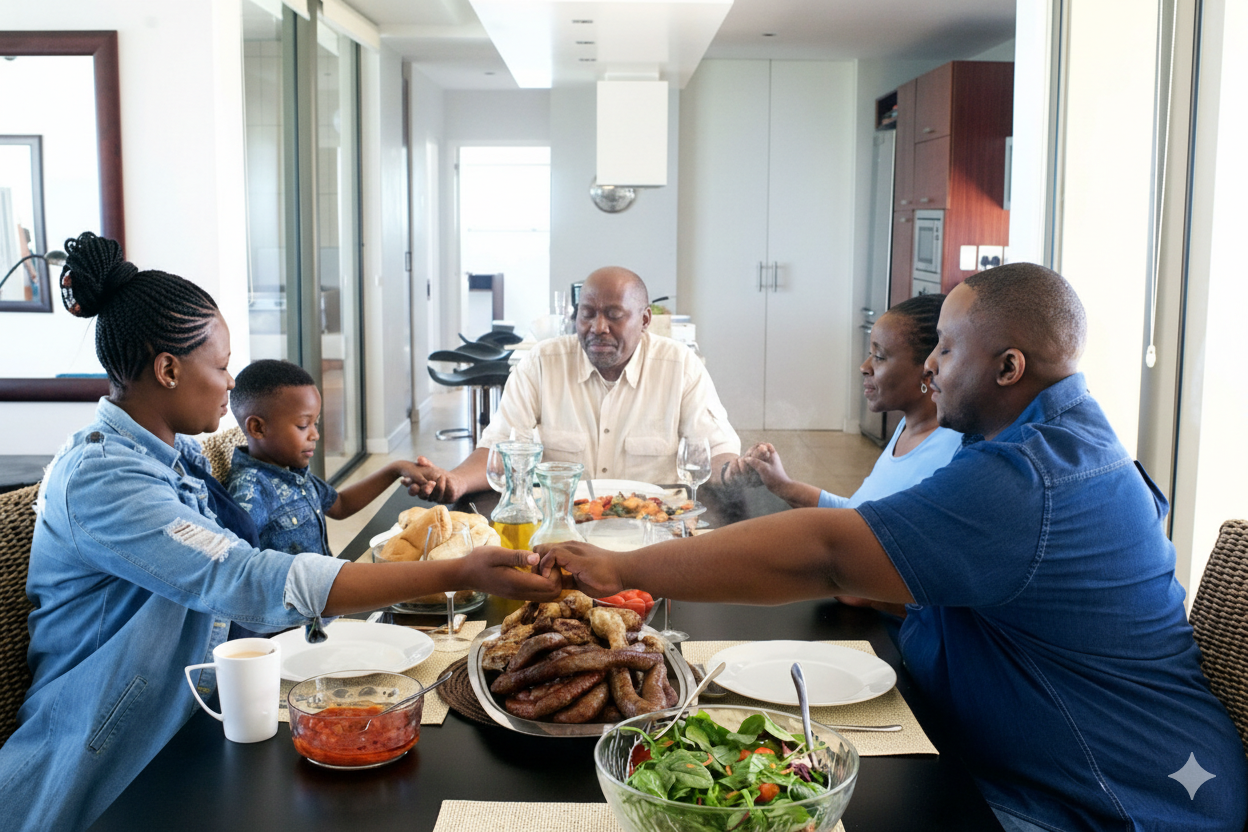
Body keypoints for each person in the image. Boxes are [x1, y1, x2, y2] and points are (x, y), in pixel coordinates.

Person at [540, 263, 1248, 832]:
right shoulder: (1053, 440)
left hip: (1110, 801)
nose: (931, 366)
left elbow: (829, 552)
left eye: (945, 346)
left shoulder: (1029, 477)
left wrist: (621, 567)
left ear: (1007, 367)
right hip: (1042, 763)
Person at [0, 232, 559, 832]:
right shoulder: (103, 480)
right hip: (110, 766)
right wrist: (454, 571)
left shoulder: (171, 454)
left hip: (193, 728)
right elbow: (241, 575)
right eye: (219, 367)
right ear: (167, 370)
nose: (229, 381)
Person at [408, 266, 741, 502]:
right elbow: (499, 451)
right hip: (563, 532)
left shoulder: (680, 366)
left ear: (644, 320)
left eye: (614, 314)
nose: (598, 327)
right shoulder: (542, 363)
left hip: (652, 531)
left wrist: (738, 472)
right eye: (587, 313)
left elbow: (715, 451)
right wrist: (456, 481)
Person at [742, 293, 961, 510]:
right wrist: (782, 485)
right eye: (870, 353)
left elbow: (868, 528)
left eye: (879, 356)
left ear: (928, 370)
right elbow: (857, 511)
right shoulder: (907, 428)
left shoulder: (952, 454)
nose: (865, 367)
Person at [226, 358, 427, 556]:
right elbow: (239, 565)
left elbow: (340, 505)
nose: (315, 435)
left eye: (316, 423)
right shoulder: (250, 493)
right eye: (303, 425)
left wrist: (395, 469)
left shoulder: (291, 471)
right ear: (258, 428)